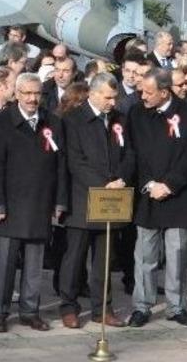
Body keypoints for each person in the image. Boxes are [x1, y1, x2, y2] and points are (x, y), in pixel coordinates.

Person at [0, 73, 66, 333]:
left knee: (35, 265)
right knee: (4, 265)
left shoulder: (53, 122)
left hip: (40, 204)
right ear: (17, 94)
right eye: (28, 93)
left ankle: (30, 311)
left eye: (37, 94)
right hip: (9, 206)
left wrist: (59, 201)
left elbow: (61, 166)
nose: (33, 99)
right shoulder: (1, 123)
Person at [126, 68, 187, 328]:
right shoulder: (136, 113)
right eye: (141, 91)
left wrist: (169, 185)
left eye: (148, 92)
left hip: (177, 195)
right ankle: (141, 306)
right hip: (148, 195)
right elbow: (133, 153)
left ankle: (176, 307)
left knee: (177, 254)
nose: (143, 96)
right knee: (145, 255)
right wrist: (149, 184)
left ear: (164, 91)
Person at [58, 73, 133, 329]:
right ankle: (69, 306)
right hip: (82, 199)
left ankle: (103, 308)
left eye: (115, 97)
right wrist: (103, 183)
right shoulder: (73, 120)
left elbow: (129, 153)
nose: (112, 102)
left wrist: (121, 177)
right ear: (93, 93)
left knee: (104, 259)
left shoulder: (119, 119)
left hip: (111, 199)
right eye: (108, 97)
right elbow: (75, 161)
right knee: (75, 258)